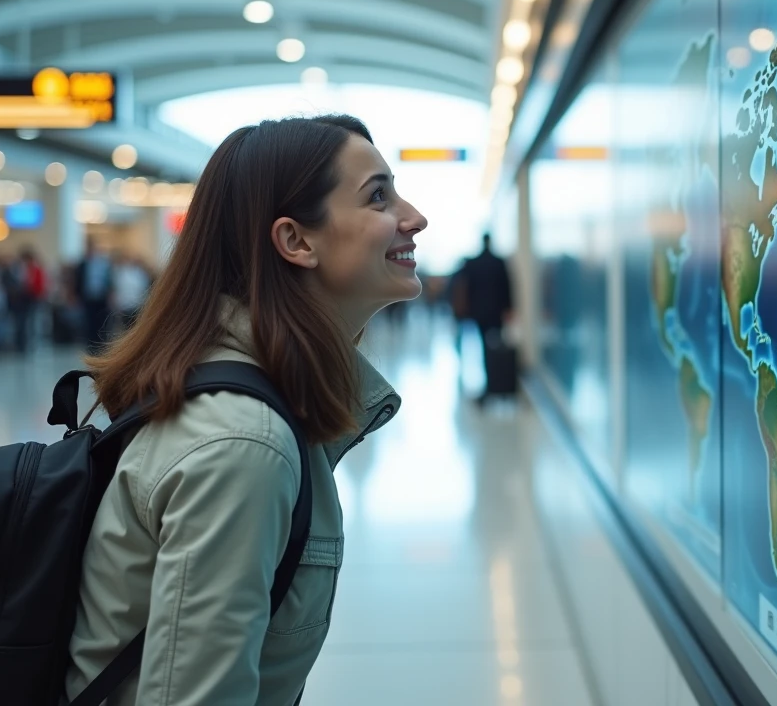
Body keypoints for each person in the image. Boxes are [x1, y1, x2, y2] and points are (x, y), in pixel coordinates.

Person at [65, 115, 427, 704]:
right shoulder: (242, 442)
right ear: (296, 241)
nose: (414, 217)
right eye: (379, 197)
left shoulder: (250, 400)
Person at [457, 232, 513, 404]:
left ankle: (491, 386)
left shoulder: (473, 263)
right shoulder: (499, 262)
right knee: (495, 347)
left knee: (485, 349)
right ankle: (497, 385)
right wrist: (509, 309)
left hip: (479, 313)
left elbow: (465, 288)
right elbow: (507, 288)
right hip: (496, 313)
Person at [74, 237, 114, 352]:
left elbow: (109, 280)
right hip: (88, 298)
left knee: (101, 321)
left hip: (101, 298)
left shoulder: (104, 264)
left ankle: (101, 344)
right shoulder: (83, 264)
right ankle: (90, 344)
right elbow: (79, 280)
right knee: (89, 322)